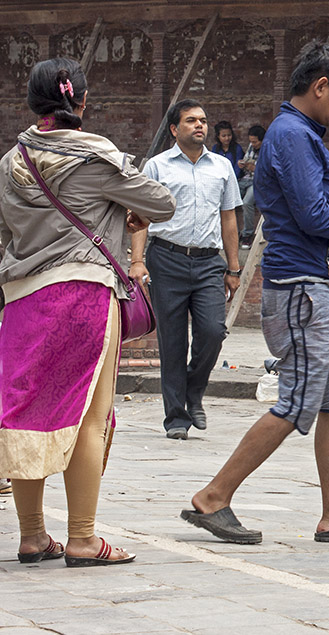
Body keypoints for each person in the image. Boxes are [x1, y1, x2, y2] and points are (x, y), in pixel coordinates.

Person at [181, 41, 329, 546]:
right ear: (320, 87)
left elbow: (317, 210)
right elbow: (314, 217)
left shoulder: (300, 134)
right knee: (298, 400)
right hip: (301, 288)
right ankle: (214, 496)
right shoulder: (292, 135)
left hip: (318, 285)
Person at [0, 57, 175, 566]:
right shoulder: (96, 157)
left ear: (34, 103)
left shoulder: (10, 163)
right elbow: (160, 203)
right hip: (82, 297)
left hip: (22, 301)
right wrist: (120, 206)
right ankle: (81, 537)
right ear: (81, 102)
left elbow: (5, 237)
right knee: (87, 418)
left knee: (25, 413)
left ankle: (32, 534)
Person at [130, 99, 243, 440]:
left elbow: (229, 218)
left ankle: (194, 391)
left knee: (212, 331)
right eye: (191, 120)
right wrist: (137, 262)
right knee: (172, 341)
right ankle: (176, 417)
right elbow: (140, 217)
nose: (200, 126)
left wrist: (233, 267)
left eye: (203, 120)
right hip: (167, 258)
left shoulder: (222, 167)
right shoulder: (157, 167)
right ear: (174, 129)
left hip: (209, 262)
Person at [238, 124, 264, 247]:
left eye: (255, 142)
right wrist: (242, 164)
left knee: (247, 202)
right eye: (251, 142)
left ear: (262, 140)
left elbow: (268, 172)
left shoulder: (267, 150)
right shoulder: (251, 147)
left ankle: (247, 235)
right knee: (227, 196)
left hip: (258, 182)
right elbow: (246, 159)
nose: (253, 144)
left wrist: (255, 168)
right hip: (245, 179)